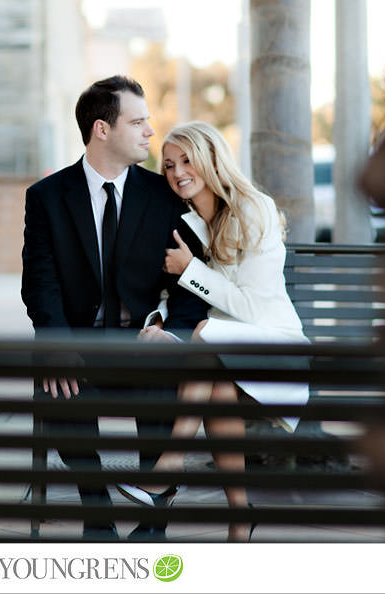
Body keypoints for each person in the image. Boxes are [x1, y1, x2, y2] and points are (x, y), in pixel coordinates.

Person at [21, 76, 209, 540]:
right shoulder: (46, 197)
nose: (150, 132)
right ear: (102, 129)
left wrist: (167, 327)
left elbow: (187, 283)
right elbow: (39, 283)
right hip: (80, 340)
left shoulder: (162, 196)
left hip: (142, 338)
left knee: (166, 373)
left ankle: (152, 524)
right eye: (138, 121)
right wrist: (57, 344)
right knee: (56, 383)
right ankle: (98, 514)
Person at [116, 121, 310, 542]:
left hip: (275, 342)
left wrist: (191, 271)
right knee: (216, 384)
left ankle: (168, 466)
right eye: (168, 165)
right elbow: (186, 298)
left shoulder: (252, 208)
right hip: (226, 349)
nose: (178, 172)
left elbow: (253, 309)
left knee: (204, 336)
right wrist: (160, 321)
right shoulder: (187, 218)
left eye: (187, 160)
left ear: (211, 159)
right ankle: (241, 517)